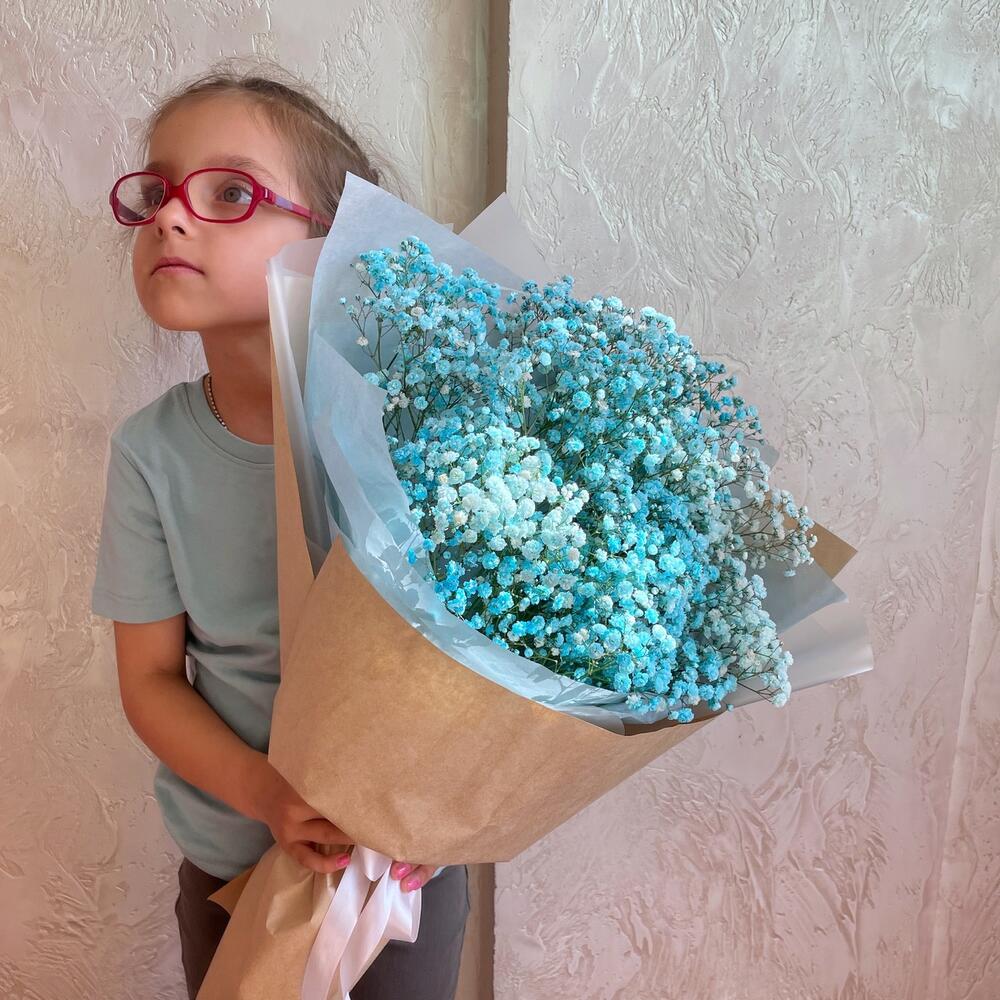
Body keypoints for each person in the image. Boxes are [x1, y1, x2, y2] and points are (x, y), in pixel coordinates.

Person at [90, 59, 470, 1000]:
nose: (171, 218)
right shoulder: (152, 453)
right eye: (157, 192)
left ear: (331, 237)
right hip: (230, 875)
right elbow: (149, 680)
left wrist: (440, 801)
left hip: (396, 878)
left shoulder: (422, 434)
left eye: (230, 193)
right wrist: (268, 795)